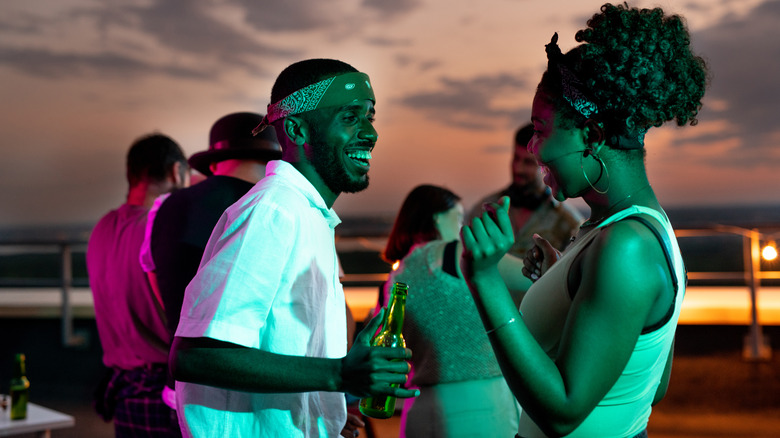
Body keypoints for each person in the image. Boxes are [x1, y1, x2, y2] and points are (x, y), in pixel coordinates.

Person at [461, 4, 707, 437]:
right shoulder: (635, 229)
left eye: (541, 130)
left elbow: (562, 411)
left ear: (591, 138)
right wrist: (566, 281)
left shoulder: (625, 247)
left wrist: (484, 281)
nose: (534, 148)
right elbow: (654, 383)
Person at [169, 58, 418, 438]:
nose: (370, 133)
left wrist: (329, 404)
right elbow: (194, 357)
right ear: (297, 128)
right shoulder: (273, 211)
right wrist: (337, 374)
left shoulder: (309, 215)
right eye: (350, 118)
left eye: (370, 117)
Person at [143, 112, 282, 409]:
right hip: (257, 391)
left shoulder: (164, 207)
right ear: (272, 159)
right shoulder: (277, 208)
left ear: (214, 161)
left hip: (182, 386)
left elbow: (156, 283)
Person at [380, 184, 528, 438]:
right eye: (458, 216)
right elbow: (530, 277)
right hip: (480, 404)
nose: (462, 226)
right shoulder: (458, 253)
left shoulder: (395, 277)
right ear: (437, 217)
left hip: (419, 409)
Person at [87, 133, 189, 437]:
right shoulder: (161, 229)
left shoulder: (102, 228)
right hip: (162, 392)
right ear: (175, 171)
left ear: (130, 174)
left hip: (124, 393)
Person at [469, 124, 582, 258]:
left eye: (528, 162)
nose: (518, 169)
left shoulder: (569, 224)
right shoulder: (484, 210)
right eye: (516, 158)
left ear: (547, 166)